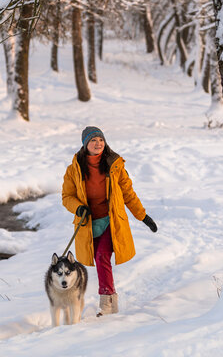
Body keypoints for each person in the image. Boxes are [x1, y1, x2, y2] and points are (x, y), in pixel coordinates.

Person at [62, 126, 157, 316]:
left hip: (111, 221)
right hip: (88, 224)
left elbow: (128, 194)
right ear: (85, 145)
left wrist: (143, 216)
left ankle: (106, 302)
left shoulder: (115, 166)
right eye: (93, 140)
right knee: (98, 259)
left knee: (101, 256)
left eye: (101, 140)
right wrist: (78, 208)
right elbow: (67, 196)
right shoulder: (74, 169)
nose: (98, 144)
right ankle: (112, 303)